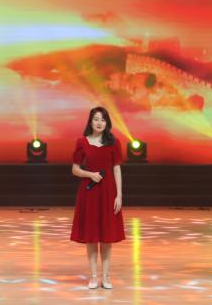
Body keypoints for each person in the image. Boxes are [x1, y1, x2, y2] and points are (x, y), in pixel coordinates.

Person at [70, 106, 125, 290]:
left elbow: (116, 169)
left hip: (109, 193)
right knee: (92, 237)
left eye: (103, 119)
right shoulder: (82, 142)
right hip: (90, 193)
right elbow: (75, 169)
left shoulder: (114, 142)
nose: (99, 123)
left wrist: (119, 195)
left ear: (107, 122)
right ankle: (93, 276)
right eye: (96, 119)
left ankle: (106, 277)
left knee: (107, 238)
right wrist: (90, 175)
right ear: (90, 121)